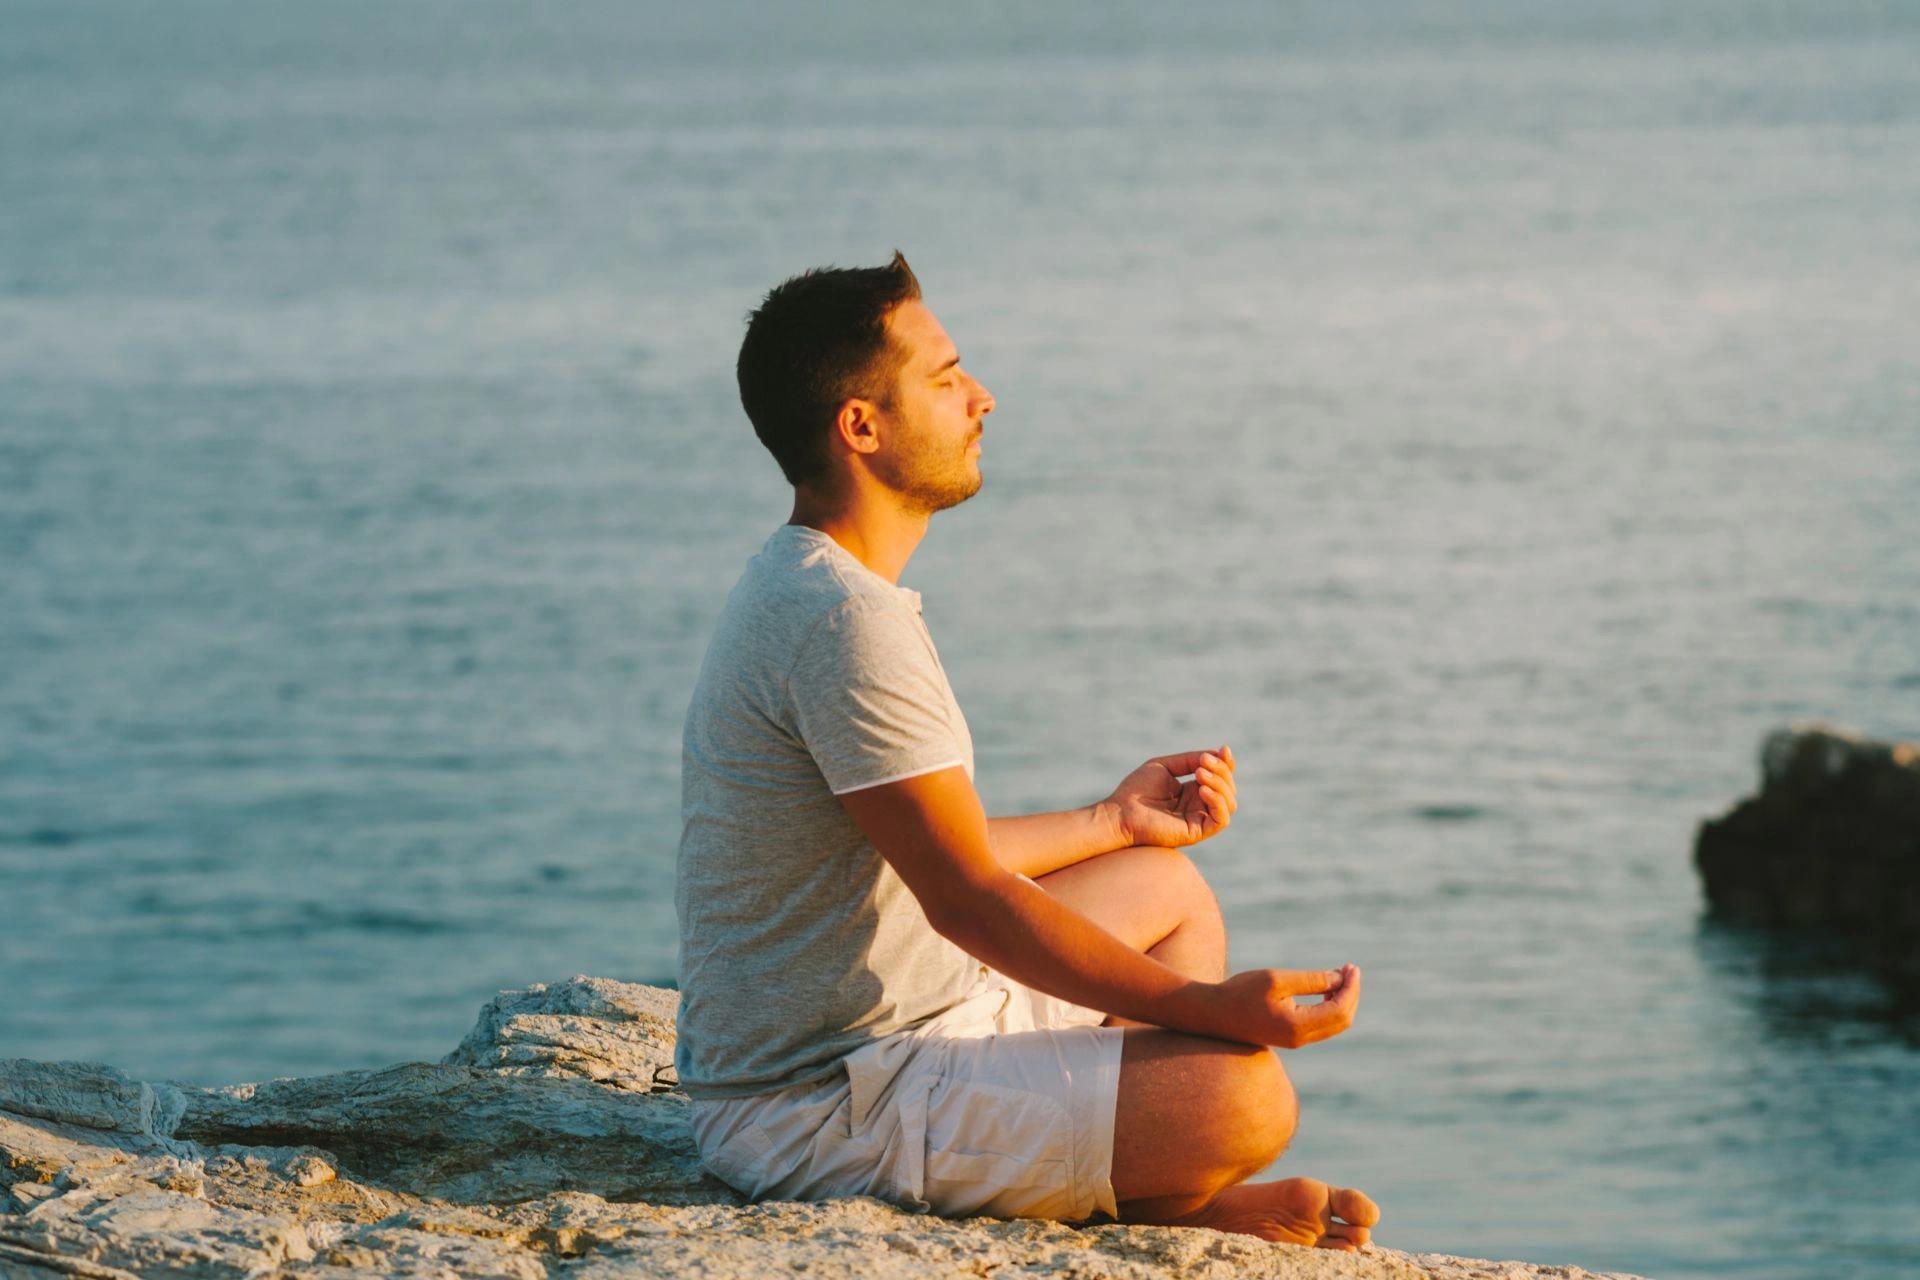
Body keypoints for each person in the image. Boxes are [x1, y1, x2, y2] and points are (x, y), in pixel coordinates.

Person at [672, 251, 1378, 1250]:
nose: (982, 396)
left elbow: (924, 854)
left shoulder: (814, 585)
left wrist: (1110, 820)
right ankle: (1168, 1200)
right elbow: (963, 899)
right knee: (1244, 1100)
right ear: (861, 426)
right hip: (818, 1101)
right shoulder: (841, 622)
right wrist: (1208, 1007)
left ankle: (1150, 1183)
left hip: (907, 1019)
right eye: (946, 375)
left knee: (1164, 884)